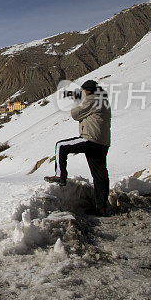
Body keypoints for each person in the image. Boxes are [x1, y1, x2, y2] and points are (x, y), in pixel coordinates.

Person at [45, 79, 111, 214]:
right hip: (103, 143)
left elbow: (76, 114)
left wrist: (76, 100)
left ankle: (60, 176)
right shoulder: (103, 99)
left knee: (61, 146)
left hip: (90, 139)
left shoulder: (93, 99)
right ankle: (102, 207)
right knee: (100, 176)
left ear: (89, 91)